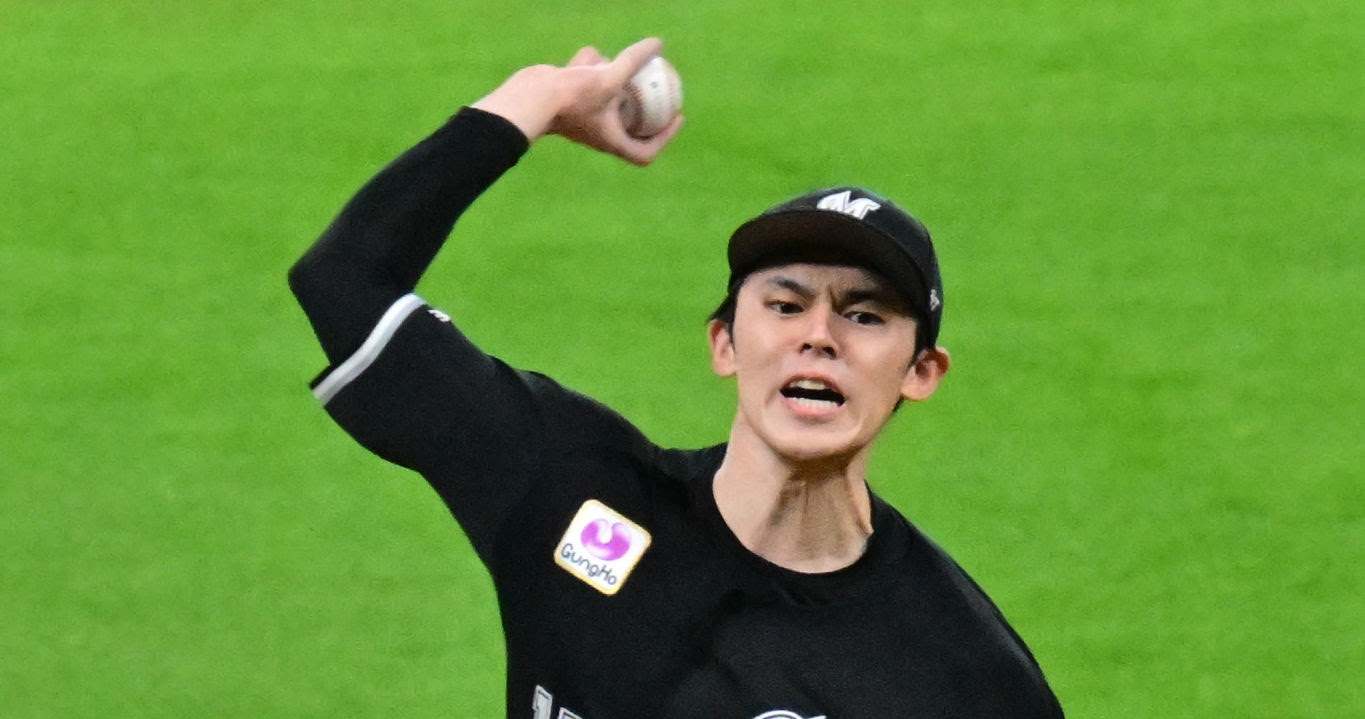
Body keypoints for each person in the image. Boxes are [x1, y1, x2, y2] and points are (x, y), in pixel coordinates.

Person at [289, 37, 1062, 719]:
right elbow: (344, 282)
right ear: (724, 341)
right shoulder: (563, 485)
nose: (817, 337)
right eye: (785, 304)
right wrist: (540, 96)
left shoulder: (964, 676)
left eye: (864, 315)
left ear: (921, 371)